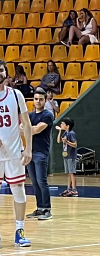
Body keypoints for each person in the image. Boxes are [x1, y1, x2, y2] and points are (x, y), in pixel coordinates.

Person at [0, 61, 33, 247]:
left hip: (14, 152)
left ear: (6, 73)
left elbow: (27, 124)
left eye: (1, 70)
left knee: (18, 190)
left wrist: (28, 148)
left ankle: (20, 231)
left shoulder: (15, 94)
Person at [26, 88, 54, 221]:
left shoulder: (48, 115)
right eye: (36, 99)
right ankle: (40, 208)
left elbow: (36, 130)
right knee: (35, 182)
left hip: (41, 152)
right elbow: (21, 129)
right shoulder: (30, 116)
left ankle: (47, 209)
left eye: (41, 99)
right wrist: (28, 129)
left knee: (42, 181)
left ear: (45, 100)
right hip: (30, 152)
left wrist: (27, 129)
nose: (38, 101)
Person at [56, 117, 78, 197]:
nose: (61, 125)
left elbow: (75, 145)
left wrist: (67, 142)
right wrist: (59, 131)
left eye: (62, 124)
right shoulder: (65, 133)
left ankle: (74, 190)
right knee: (68, 173)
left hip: (71, 156)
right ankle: (69, 188)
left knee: (72, 173)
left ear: (67, 126)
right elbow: (59, 141)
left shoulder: (71, 133)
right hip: (66, 155)